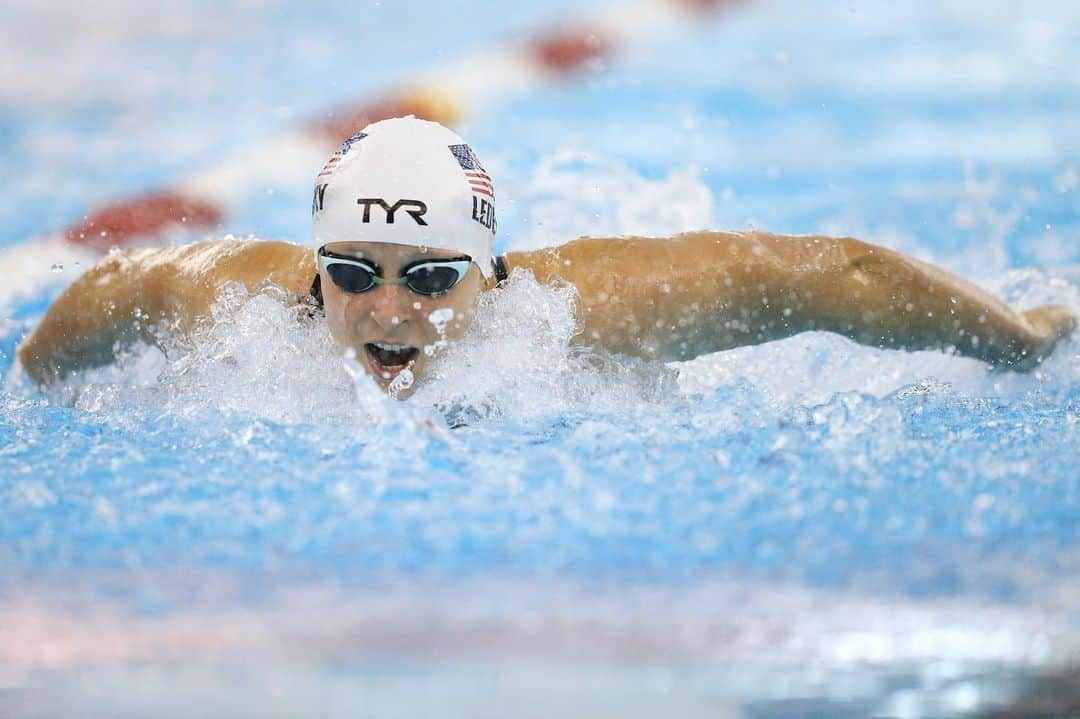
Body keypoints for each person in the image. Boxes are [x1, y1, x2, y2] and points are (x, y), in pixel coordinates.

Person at [17, 117, 1076, 399]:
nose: (390, 308)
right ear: (316, 263)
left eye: (429, 275)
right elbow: (101, 294)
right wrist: (37, 388)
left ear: (485, 269)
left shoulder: (582, 312)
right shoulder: (232, 302)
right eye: (354, 271)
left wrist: (1024, 337)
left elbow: (836, 274)